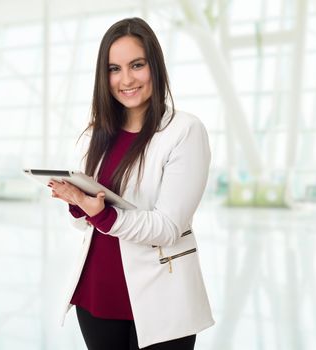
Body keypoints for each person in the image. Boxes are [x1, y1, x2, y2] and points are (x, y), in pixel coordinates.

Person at [49, 17, 214, 350]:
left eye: (136, 65)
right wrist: (77, 202)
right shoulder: (98, 133)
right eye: (114, 68)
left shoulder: (184, 131)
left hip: (161, 301)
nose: (126, 79)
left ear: (155, 66)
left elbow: (168, 227)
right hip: (97, 297)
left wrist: (103, 214)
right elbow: (84, 226)